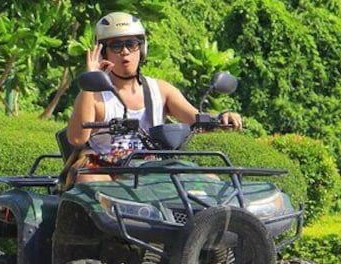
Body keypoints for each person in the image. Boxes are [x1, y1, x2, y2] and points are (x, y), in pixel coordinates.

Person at [66, 11, 242, 184]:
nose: (125, 51)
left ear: (141, 48)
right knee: (91, 181)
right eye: (116, 46)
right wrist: (90, 80)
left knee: (211, 181)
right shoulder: (95, 95)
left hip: (152, 168)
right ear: (104, 52)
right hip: (107, 169)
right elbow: (76, 138)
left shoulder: (160, 90)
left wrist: (221, 118)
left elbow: (197, 120)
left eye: (131, 44)